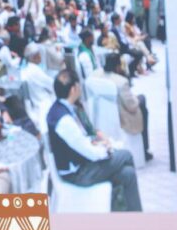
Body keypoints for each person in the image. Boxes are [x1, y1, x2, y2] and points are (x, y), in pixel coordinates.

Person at [46, 69, 141, 212]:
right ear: (73, 89)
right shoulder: (64, 120)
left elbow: (82, 140)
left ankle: (131, 214)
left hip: (83, 165)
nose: (80, 88)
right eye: (78, 85)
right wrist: (108, 149)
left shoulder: (62, 108)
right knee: (126, 155)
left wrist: (99, 143)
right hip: (79, 175)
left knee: (128, 174)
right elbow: (91, 153)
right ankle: (124, 207)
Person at [92, 53, 151, 161]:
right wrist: (137, 99)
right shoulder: (121, 81)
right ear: (118, 66)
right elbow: (132, 106)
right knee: (142, 102)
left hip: (102, 115)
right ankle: (145, 149)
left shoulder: (95, 76)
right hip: (122, 116)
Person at [21, 43, 55, 133]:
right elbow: (52, 84)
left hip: (38, 102)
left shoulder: (27, 69)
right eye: (39, 54)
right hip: (43, 102)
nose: (40, 56)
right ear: (34, 57)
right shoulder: (35, 70)